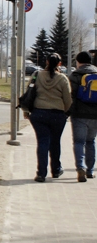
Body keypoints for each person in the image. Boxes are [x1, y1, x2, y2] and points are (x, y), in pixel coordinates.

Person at [25, 53, 72, 182]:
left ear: (46, 62)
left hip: (39, 113)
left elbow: (28, 92)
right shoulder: (63, 79)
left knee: (42, 142)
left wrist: (26, 111)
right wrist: (65, 112)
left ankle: (41, 173)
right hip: (57, 114)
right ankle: (56, 170)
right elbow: (68, 99)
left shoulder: (37, 75)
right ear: (59, 64)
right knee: (55, 142)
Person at [68, 51, 97, 182]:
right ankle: (90, 171)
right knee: (91, 141)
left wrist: (69, 112)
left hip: (79, 114)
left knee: (79, 142)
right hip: (95, 115)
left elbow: (71, 96)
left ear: (78, 62)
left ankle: (81, 168)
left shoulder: (75, 75)